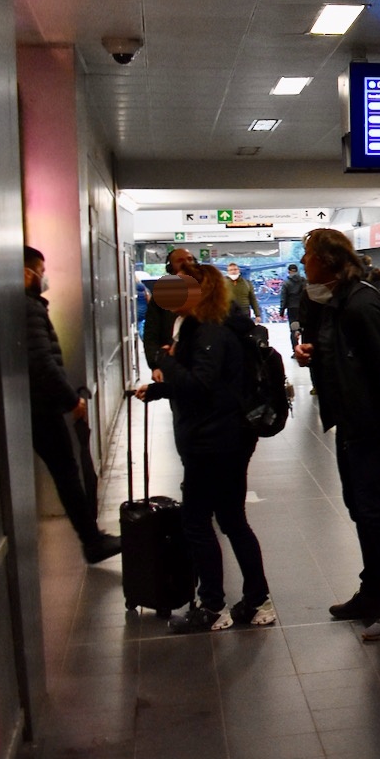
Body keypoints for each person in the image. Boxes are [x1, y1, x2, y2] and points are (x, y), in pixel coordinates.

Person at [295, 228, 380, 641]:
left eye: (308, 255)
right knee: (359, 508)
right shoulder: (337, 302)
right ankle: (374, 591)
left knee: (374, 512)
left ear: (326, 261)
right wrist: (312, 353)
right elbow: (342, 357)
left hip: (369, 425)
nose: (304, 262)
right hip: (350, 421)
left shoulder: (361, 304)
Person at [134, 266, 273, 633]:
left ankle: (213, 606)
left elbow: (200, 385)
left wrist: (164, 361)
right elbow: (209, 384)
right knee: (232, 520)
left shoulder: (209, 332)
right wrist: (160, 389)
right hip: (226, 437)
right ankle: (257, 601)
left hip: (213, 442)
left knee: (196, 521)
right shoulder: (209, 328)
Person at [23, 247, 122, 564]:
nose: (44, 277)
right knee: (67, 472)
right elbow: (42, 361)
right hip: (42, 408)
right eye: (40, 271)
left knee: (66, 472)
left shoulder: (24, 307)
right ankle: (92, 541)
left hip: (35, 405)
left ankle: (92, 539)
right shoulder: (29, 309)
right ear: (26, 273)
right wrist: (70, 400)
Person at [142, 246, 198, 358]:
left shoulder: (208, 290)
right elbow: (151, 332)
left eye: (190, 259)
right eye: (180, 260)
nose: (187, 263)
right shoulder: (162, 294)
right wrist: (155, 361)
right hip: (171, 357)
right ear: (170, 267)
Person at [280, 262, 308, 347]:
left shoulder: (286, 283)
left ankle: (296, 349)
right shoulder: (304, 281)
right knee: (304, 328)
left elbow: (283, 298)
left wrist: (282, 311)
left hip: (292, 308)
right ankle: (305, 347)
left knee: (294, 329)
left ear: (289, 271)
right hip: (303, 307)